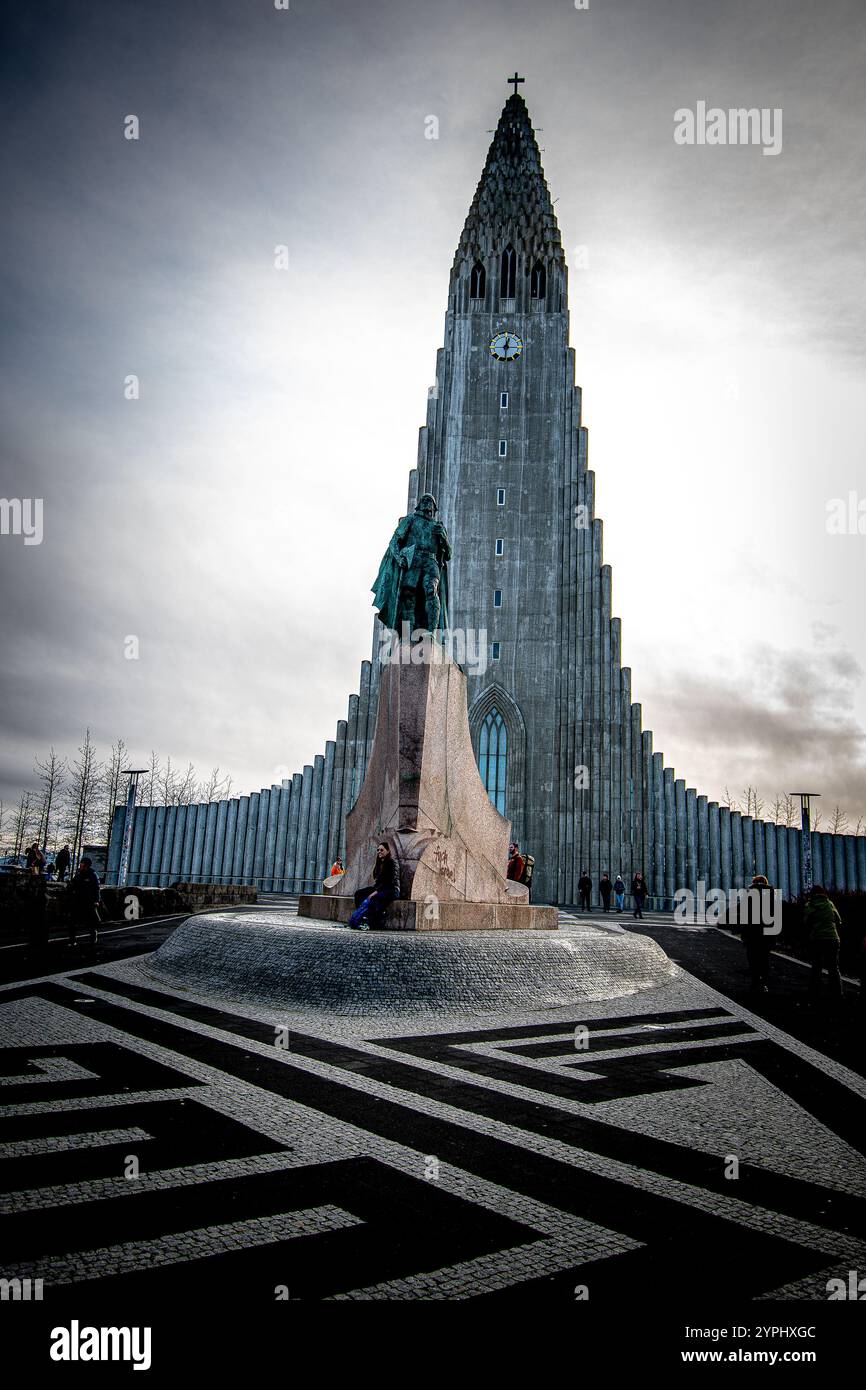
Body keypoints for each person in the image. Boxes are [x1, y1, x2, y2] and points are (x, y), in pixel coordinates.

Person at [803, 884, 843, 1001]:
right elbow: (839, 920)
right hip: (833, 938)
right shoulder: (830, 904)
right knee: (834, 967)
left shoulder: (810, 905)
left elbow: (806, 922)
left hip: (818, 939)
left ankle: (815, 992)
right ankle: (837, 992)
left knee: (816, 966)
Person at [349, 842, 400, 930]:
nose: (379, 852)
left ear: (387, 851)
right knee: (359, 894)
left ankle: (369, 922)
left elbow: (389, 881)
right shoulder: (380, 863)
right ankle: (361, 918)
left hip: (391, 890)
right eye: (378, 850)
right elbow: (377, 881)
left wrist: (375, 892)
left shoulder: (392, 862)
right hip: (380, 888)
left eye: (382, 850)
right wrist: (374, 890)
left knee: (373, 899)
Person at [739, 873, 774, 995]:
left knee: (753, 958)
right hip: (766, 934)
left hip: (751, 934)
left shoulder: (749, 895)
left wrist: (743, 933)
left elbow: (743, 916)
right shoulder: (771, 895)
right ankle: (764, 983)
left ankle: (755, 982)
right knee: (764, 959)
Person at [67, 856, 102, 948]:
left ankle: (93, 937)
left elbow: (96, 888)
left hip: (88, 901)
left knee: (90, 922)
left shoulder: (92, 875)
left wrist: (96, 900)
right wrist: (70, 885)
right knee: (72, 921)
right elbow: (73, 884)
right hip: (77, 900)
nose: (80, 865)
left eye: (82, 863)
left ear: (86, 865)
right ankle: (72, 940)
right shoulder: (79, 874)